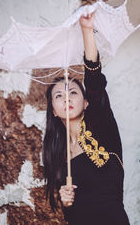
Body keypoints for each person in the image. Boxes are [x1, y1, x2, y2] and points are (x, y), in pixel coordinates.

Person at [43, 12, 130, 225]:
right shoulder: (55, 150)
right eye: (59, 95)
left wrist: (86, 30)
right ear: (53, 110)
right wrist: (65, 199)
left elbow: (94, 80)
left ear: (86, 102)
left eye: (73, 92)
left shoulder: (102, 128)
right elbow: (71, 209)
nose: (66, 98)